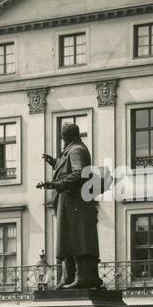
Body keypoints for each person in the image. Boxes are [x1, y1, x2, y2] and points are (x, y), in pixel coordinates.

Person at [38, 121, 101, 290]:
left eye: (63, 136)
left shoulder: (77, 150)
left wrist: (58, 184)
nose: (62, 140)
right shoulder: (70, 150)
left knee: (76, 239)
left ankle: (80, 278)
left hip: (74, 202)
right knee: (67, 240)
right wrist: (54, 162)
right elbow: (67, 167)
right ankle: (67, 277)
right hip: (67, 202)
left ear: (67, 136)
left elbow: (79, 173)